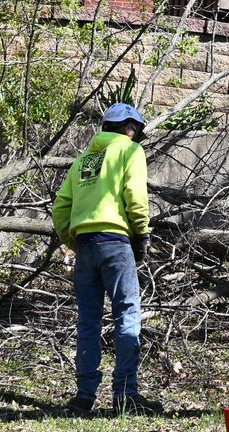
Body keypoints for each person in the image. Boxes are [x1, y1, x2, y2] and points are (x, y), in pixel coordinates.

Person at [52, 102, 161, 416]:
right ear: (131, 128)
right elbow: (135, 194)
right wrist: (141, 234)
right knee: (127, 315)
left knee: (88, 322)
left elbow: (60, 209)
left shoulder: (83, 160)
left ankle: (83, 397)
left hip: (85, 245)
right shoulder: (129, 151)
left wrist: (75, 240)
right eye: (135, 131)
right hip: (116, 241)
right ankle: (125, 394)